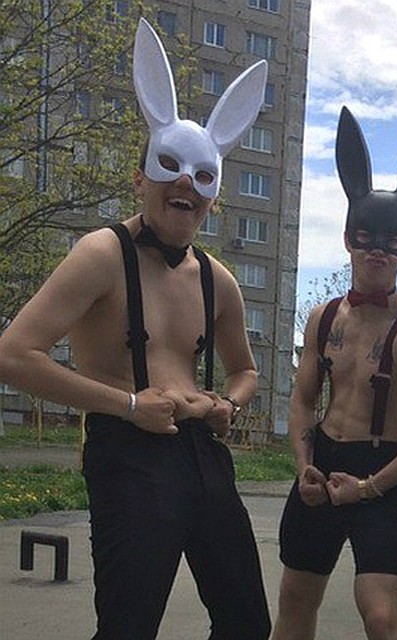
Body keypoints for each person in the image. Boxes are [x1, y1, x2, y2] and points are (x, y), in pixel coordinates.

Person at [0, 19, 272, 640]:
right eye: (170, 168)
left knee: (247, 623)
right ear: (140, 177)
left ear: (214, 195)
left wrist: (230, 404)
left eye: (201, 177)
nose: (185, 184)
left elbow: (246, 370)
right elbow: (14, 354)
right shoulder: (102, 255)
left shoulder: (219, 280)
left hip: (203, 455)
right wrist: (127, 405)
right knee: (128, 627)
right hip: (127, 453)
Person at [272, 106, 397, 640]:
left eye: (392, 242)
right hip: (324, 466)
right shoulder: (324, 318)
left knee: (379, 615)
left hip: (380, 474)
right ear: (349, 238)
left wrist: (370, 488)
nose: (377, 251)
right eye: (366, 237)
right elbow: (304, 400)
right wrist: (304, 466)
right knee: (294, 603)